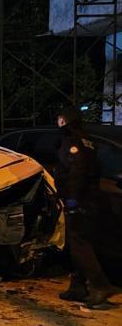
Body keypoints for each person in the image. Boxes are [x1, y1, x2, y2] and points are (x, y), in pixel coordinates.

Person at [54, 109, 118, 306]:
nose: (59, 123)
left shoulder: (74, 142)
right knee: (78, 243)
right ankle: (78, 286)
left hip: (81, 200)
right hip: (90, 198)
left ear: (65, 121)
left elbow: (77, 173)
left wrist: (73, 200)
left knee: (78, 242)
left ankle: (100, 284)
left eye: (60, 119)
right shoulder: (86, 141)